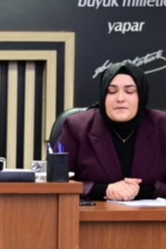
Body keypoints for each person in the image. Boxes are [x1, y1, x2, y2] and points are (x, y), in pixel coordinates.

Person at [58, 62, 166, 201]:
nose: (120, 99)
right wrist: (105, 189)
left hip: (153, 214)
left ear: (141, 95)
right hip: (91, 213)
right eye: (112, 91)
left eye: (129, 91)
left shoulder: (162, 125)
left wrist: (141, 191)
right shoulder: (76, 127)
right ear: (103, 96)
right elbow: (55, 181)